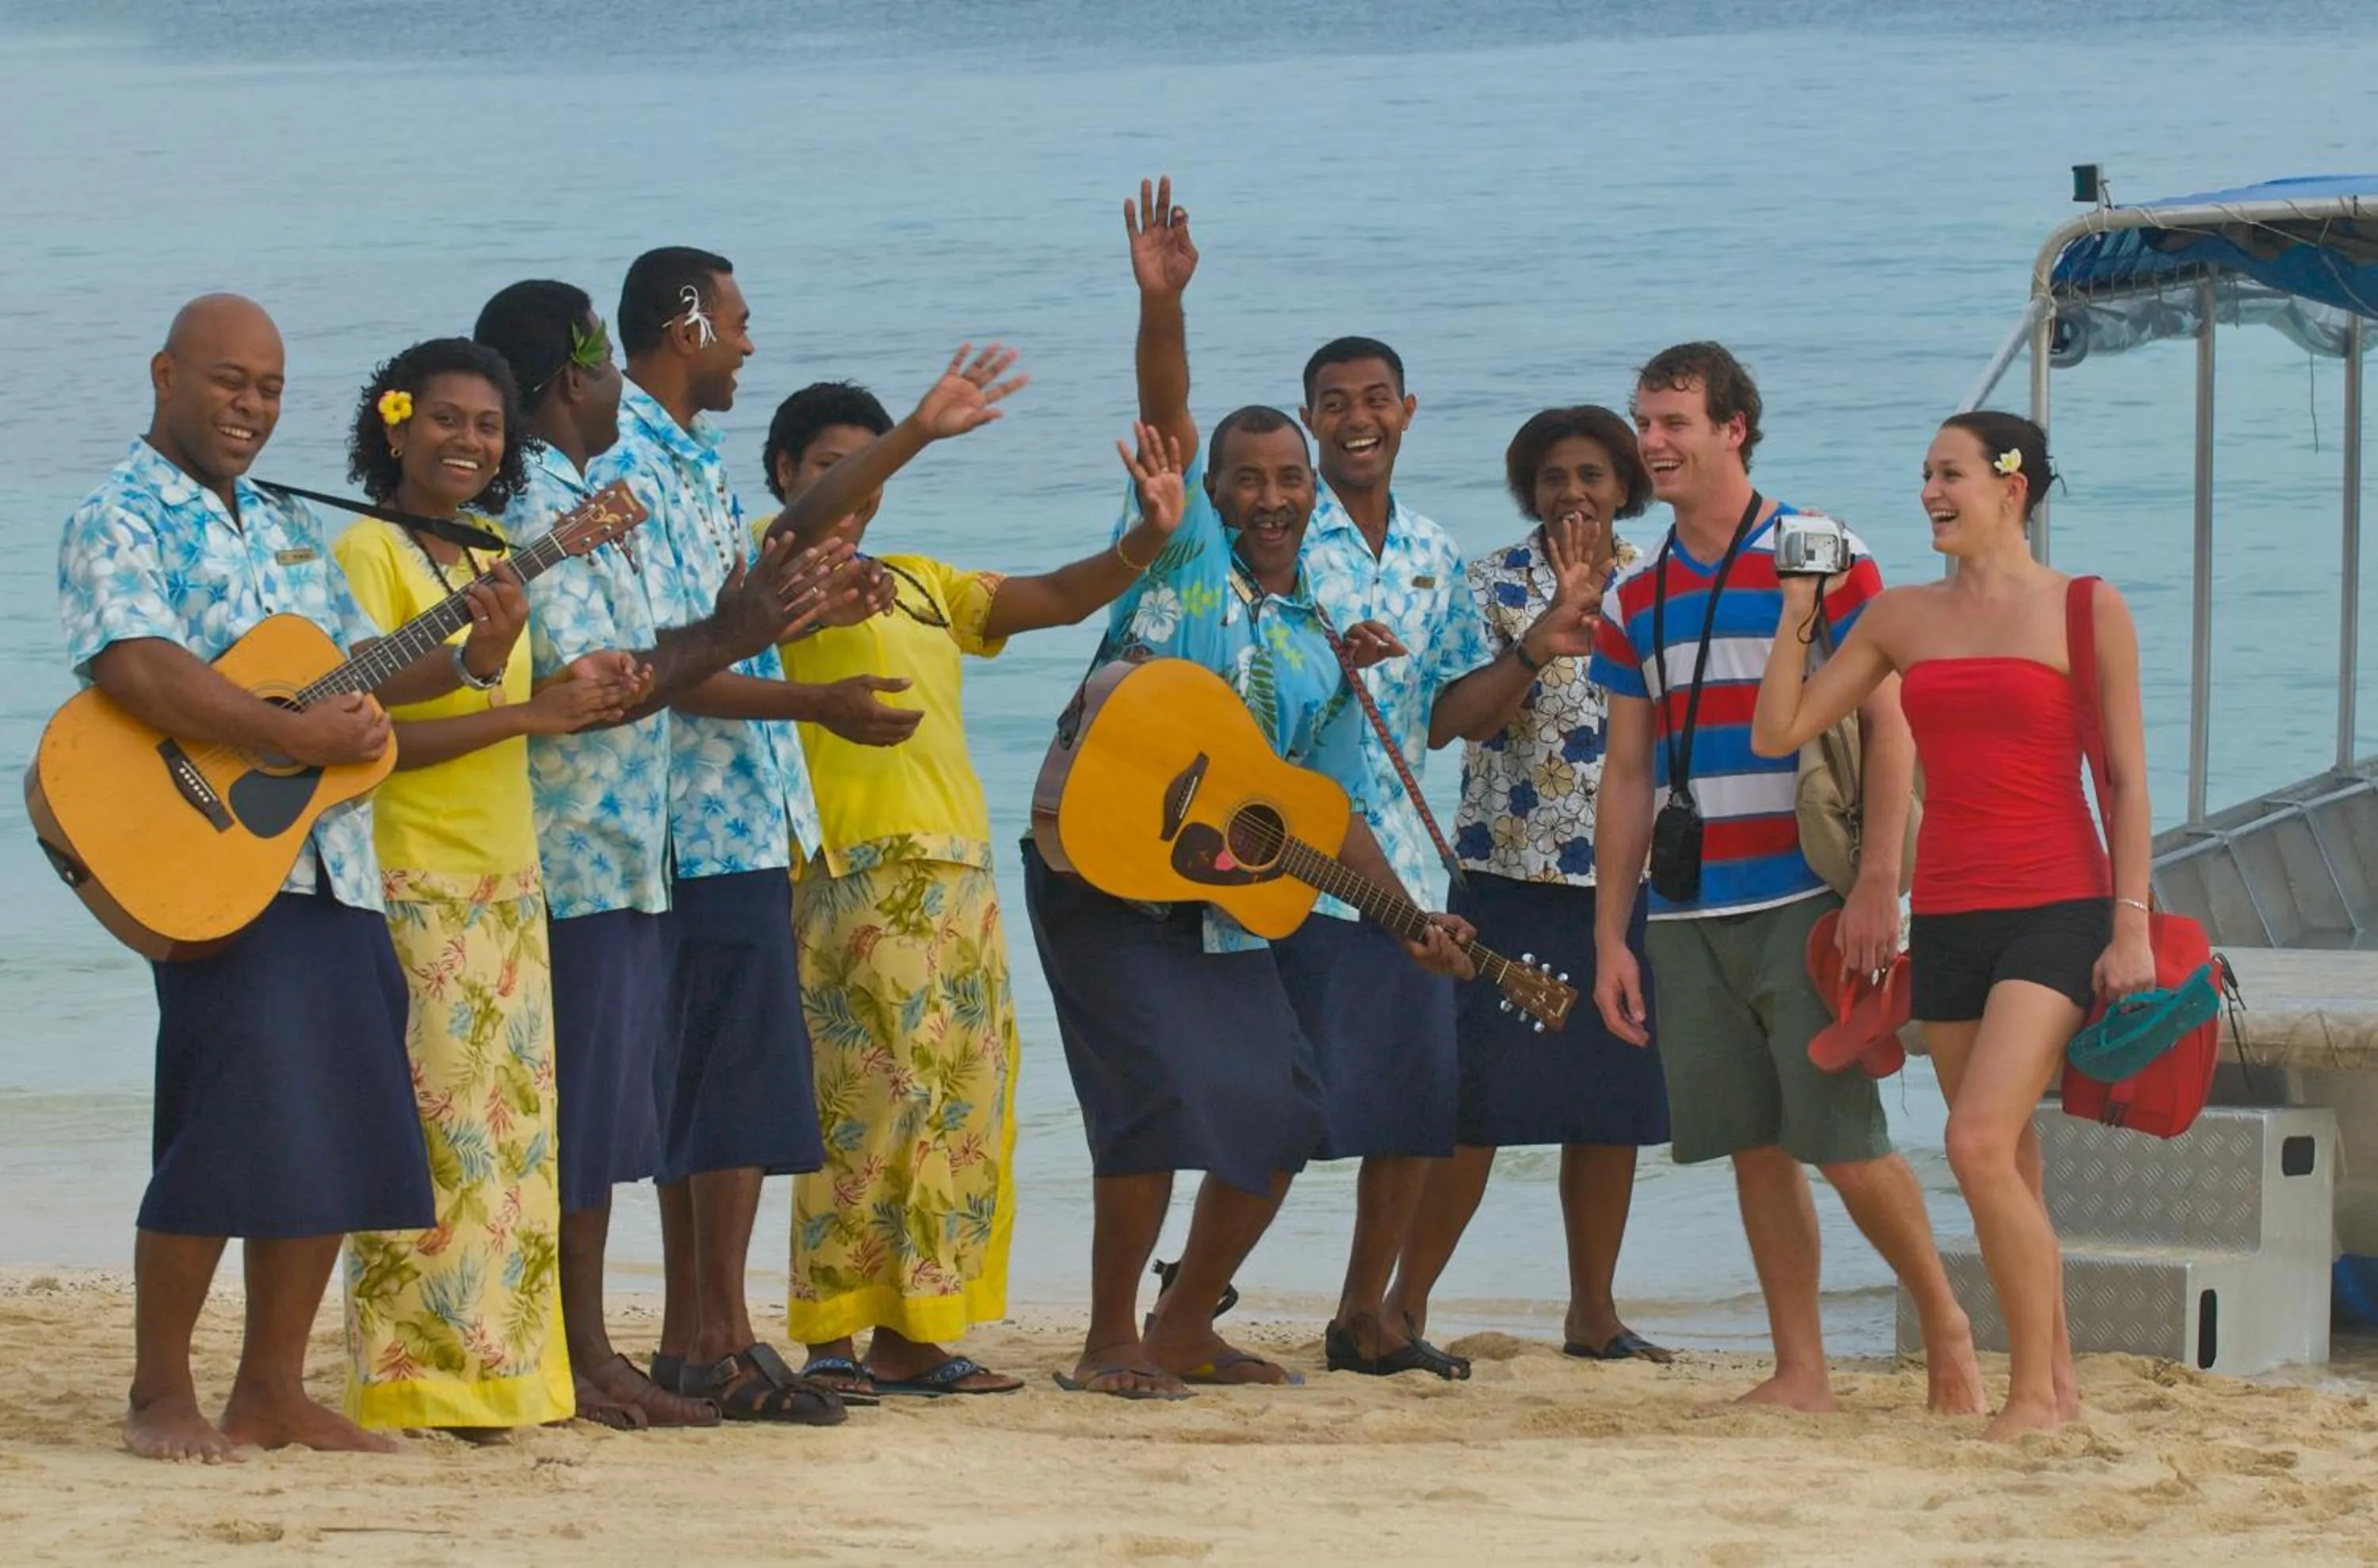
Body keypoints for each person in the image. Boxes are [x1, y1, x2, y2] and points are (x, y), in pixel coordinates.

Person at [1126, 178, 1587, 1378]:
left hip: (1403, 867)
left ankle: (1366, 1316)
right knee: (1273, 1110)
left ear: (1407, 410)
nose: (1354, 420)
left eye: (1375, 400)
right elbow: (1171, 433)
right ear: (1309, 421)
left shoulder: (1433, 552)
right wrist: (1164, 306)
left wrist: (1534, 650)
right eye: (1333, 404)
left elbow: (1444, 716)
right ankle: (1193, 1296)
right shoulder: (1267, 522)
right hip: (1272, 861)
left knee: (1419, 1110)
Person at [56, 295, 526, 1460]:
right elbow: (134, 664)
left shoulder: (280, 522)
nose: (253, 408)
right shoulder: (120, 510)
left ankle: (271, 1388)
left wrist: (473, 653)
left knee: (327, 1130)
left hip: (331, 866)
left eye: (269, 389)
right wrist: (289, 735)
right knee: (221, 1122)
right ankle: (160, 1390)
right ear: (165, 372)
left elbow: (350, 676)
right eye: (230, 382)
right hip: (212, 859)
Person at [756, 357, 1210, 1400]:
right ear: (787, 471)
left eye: (871, 469)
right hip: (848, 872)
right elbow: (783, 595)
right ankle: (832, 1336)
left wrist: (1145, 536)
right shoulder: (770, 567)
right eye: (836, 466)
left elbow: (1050, 597)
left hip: (957, 872)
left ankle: (915, 1338)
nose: (858, 489)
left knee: (960, 1107)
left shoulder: (920, 578)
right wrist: (910, 435)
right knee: (863, 1110)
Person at [474, 279, 853, 1430]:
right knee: (589, 1122)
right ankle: (591, 1354)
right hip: (581, 852)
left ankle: (591, 1351)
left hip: (633, 849)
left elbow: (674, 639)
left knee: (605, 1122)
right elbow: (617, 680)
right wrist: (754, 644)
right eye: (595, 362)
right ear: (571, 377)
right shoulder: (541, 499)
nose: (610, 381)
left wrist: (760, 620)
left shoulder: (598, 489)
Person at [1588, 340, 1985, 1414]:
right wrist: (1611, 934)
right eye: (1645, 422)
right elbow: (1625, 771)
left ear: (1734, 429)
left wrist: (1878, 885)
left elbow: (1886, 715)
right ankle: (1801, 1368)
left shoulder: (1818, 550)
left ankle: (1949, 1330)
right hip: (1688, 912)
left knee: (1846, 1143)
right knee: (1752, 1147)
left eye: (1674, 421)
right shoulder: (1639, 590)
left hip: (1805, 895)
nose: (1653, 442)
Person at [1749, 410, 2150, 1439]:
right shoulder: (1900, 618)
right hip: (1956, 914)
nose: (1930, 491)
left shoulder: (2085, 607)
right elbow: (1780, 727)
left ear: (2011, 487)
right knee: (2006, 1157)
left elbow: (2124, 779)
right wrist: (1802, 605)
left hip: (2060, 905)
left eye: (1951, 473)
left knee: (1973, 1141)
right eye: (1924, 473)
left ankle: (2026, 1397)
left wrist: (2132, 922)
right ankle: (2057, 1388)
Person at [332, 337, 644, 1437]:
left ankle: (508, 1373)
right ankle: (422, 1377)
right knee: (436, 1143)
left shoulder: (493, 552)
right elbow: (361, 738)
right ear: (397, 423)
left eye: (489, 425)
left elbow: (495, 691)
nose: (469, 440)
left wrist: (563, 686)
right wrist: (520, 706)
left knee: (512, 1145)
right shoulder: (365, 553)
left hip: (511, 879)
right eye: (447, 418)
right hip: (418, 880)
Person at [584, 247, 856, 1425]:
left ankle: (711, 1329)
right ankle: (709, 1334)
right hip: (691, 820)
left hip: (741, 815)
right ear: (686, 323)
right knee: (722, 1086)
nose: (750, 343)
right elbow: (674, 657)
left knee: (726, 1084)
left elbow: (736, 612)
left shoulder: (689, 460)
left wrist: (813, 600)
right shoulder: (634, 459)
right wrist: (818, 699)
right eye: (740, 322)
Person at [1384, 406, 1675, 1363]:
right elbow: (1448, 721)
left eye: (1593, 474)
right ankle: (1403, 1308)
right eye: (1553, 477)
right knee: (1479, 1110)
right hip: (1507, 879)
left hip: (1626, 888)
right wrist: (1538, 641)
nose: (1574, 493)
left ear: (1626, 484)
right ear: (1529, 490)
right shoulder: (1490, 583)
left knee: (1612, 1112)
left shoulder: (1664, 583)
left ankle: (1594, 1312)